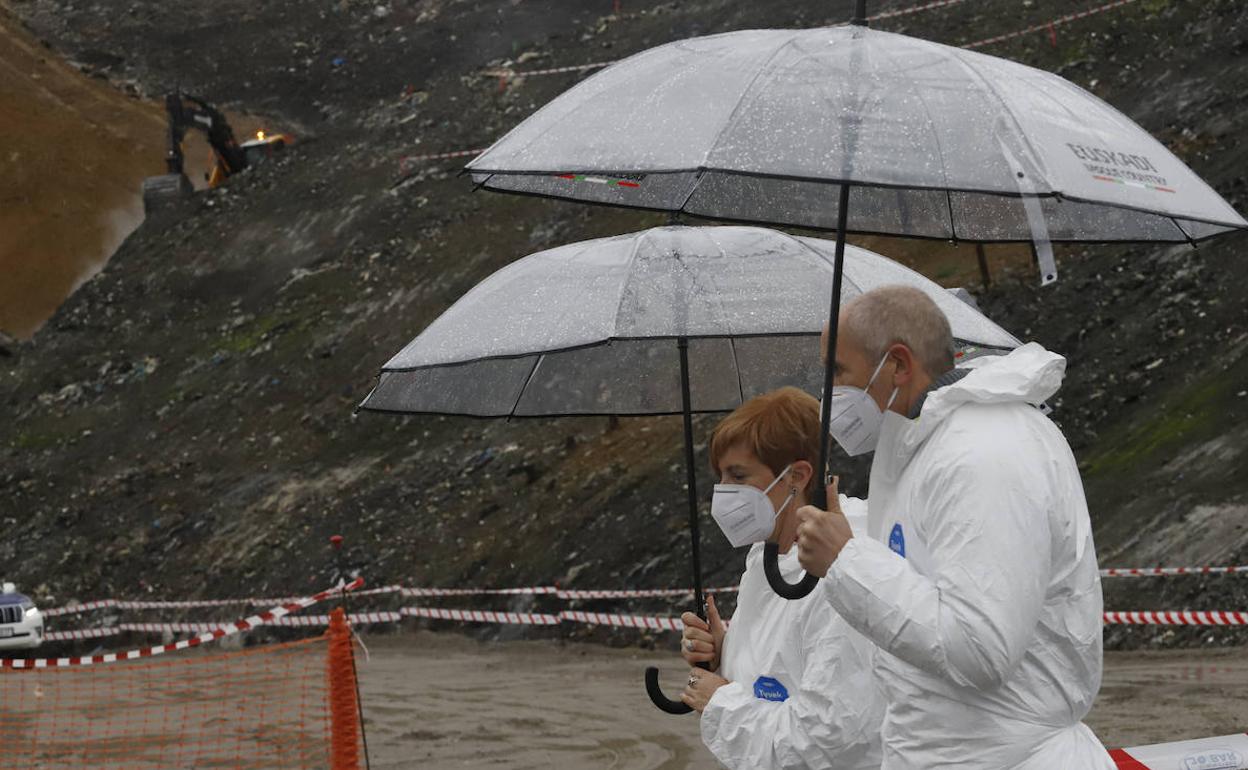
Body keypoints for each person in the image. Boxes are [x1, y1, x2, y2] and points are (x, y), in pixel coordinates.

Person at [794, 285, 1115, 769]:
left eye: (837, 372)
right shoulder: (925, 448)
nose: (827, 393)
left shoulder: (984, 452)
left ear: (898, 365)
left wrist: (849, 561)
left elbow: (979, 648)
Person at [678, 387, 883, 769]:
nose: (723, 493)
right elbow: (774, 677)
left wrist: (719, 702)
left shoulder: (846, 568)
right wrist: (725, 653)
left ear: (797, 476)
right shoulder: (767, 554)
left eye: (738, 476)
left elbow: (828, 741)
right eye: (720, 477)